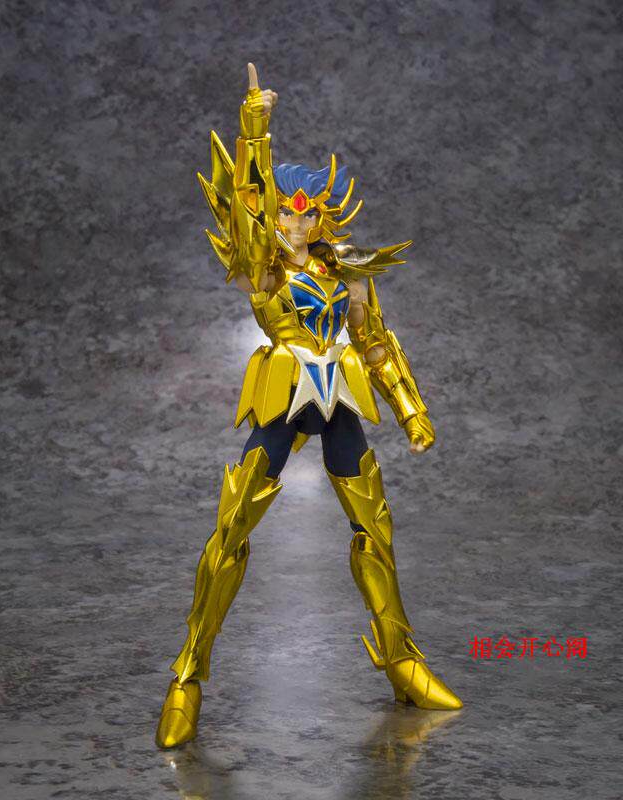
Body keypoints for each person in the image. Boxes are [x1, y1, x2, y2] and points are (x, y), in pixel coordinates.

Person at [156, 63, 462, 750]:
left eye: (307, 211)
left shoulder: (344, 271)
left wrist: (411, 410)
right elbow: (245, 210)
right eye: (287, 211)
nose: (297, 221)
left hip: (341, 398)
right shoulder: (264, 269)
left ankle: (404, 663)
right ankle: (187, 676)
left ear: (324, 214)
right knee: (232, 528)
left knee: (374, 530)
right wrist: (254, 129)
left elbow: (376, 342)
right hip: (282, 396)